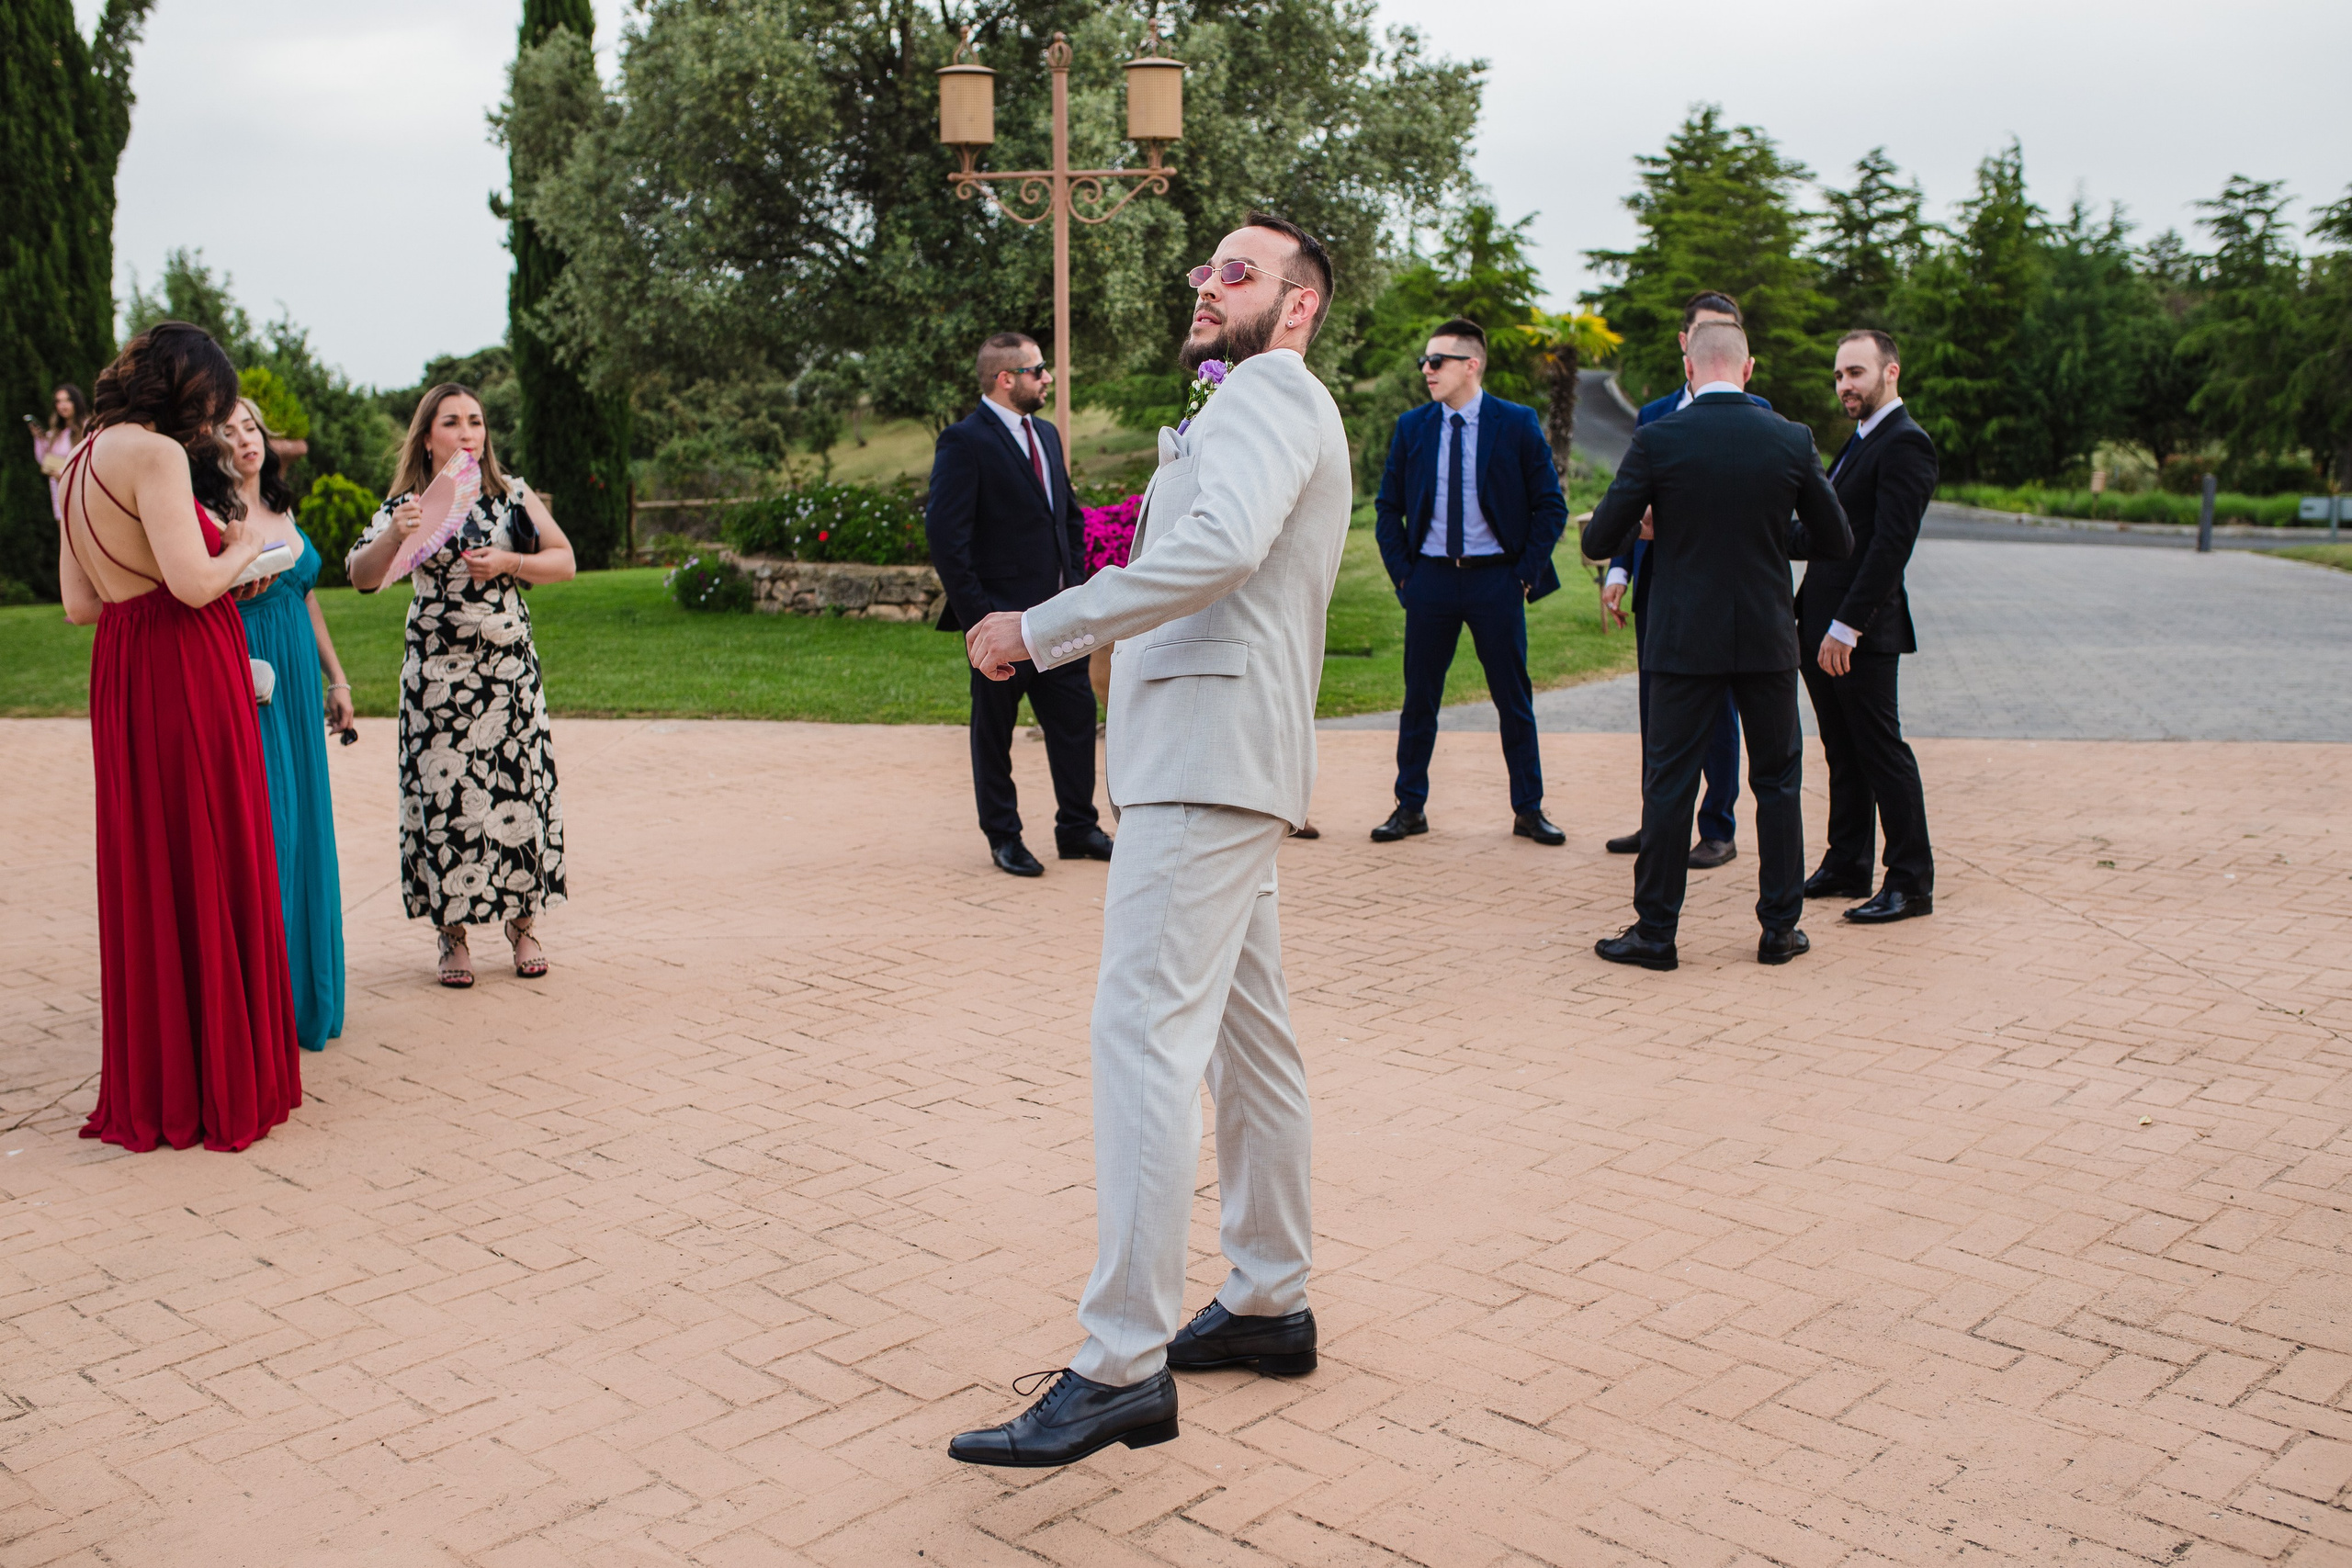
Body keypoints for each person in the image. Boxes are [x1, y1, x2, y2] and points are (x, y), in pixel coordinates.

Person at [948, 212, 1351, 1468]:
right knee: (1250, 1037)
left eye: (1239, 270)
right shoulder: (1254, 402)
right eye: (1205, 265)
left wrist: (1041, 624)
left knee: (1139, 1036)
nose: (1206, 282)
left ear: (1296, 306)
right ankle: (1271, 1295)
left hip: (1203, 756)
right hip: (1228, 753)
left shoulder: (1269, 396)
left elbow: (1220, 550)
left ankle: (1120, 1358)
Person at [54, 321, 302, 1152]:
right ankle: (218, 1079)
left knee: (155, 858)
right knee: (206, 844)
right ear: (185, 387)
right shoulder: (153, 456)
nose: (210, 424)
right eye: (209, 404)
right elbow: (195, 585)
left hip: (125, 666)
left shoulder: (81, 460)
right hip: (182, 662)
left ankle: (163, 1074)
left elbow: (81, 606)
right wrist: (242, 548)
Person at [1580, 321, 1849, 971]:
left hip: (1681, 641)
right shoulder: (1791, 439)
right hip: (1765, 638)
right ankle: (1780, 930)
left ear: (1690, 368)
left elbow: (1599, 539)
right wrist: (1766, 532)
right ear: (1749, 369)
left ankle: (1656, 933)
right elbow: (1834, 538)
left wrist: (1656, 528)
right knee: (1778, 782)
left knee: (1669, 786)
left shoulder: (1659, 438)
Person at [347, 385, 574, 987]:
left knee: (516, 791)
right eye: (452, 422)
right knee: (448, 803)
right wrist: (396, 534)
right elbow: (360, 576)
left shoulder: (511, 497)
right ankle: (452, 939)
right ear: (427, 437)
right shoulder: (410, 505)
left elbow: (565, 560)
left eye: (476, 421)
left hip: (507, 673)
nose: (468, 432)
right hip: (437, 677)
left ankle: (523, 925)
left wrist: (509, 564)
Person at [1369, 317, 1570, 846]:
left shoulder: (1516, 423)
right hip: (1429, 581)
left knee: (1514, 700)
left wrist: (1523, 576)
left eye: (1437, 362)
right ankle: (1409, 807)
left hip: (1496, 582)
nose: (1426, 371)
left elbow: (1551, 505)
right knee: (1420, 700)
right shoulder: (1413, 427)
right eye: (1424, 362)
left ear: (1471, 365)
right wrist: (1406, 577)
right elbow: (1387, 507)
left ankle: (1529, 810)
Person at [924, 333, 1112, 876]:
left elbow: (1068, 519)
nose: (1046, 378)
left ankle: (1078, 828)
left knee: (1075, 722)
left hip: (1059, 621)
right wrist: (981, 620)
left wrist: (1074, 589)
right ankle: (1004, 836)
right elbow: (947, 538)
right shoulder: (963, 442)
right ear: (1007, 379)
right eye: (1037, 370)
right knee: (994, 734)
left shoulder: (1046, 435)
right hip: (1000, 626)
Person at [1600, 291, 1772, 870]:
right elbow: (1628, 507)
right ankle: (1660, 822)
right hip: (1660, 591)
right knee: (1660, 713)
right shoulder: (1653, 418)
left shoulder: (1763, 413)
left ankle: (1717, 828)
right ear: (1687, 346)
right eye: (1706, 333)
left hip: (1728, 599)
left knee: (1720, 717)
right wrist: (1619, 571)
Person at [1793, 330, 1938, 923]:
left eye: (1855, 372)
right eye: (1838, 376)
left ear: (1891, 372)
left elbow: (1889, 547)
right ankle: (1848, 862)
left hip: (1860, 633)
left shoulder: (1907, 444)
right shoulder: (1857, 442)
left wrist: (1847, 627)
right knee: (1842, 750)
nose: (1845, 385)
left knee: (1882, 752)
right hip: (1822, 624)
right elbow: (1833, 533)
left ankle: (1910, 881)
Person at [226, 395, 352, 1051]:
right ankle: (267, 999)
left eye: (251, 426)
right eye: (229, 429)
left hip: (300, 676)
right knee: (272, 829)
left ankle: (311, 994)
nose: (245, 437)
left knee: (305, 820)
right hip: (252, 679)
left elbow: (308, 598)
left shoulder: (280, 503)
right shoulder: (212, 514)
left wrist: (338, 678)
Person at [28, 383, 91, 523]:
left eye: (67, 400)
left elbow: (91, 459)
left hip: (81, 493)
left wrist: (64, 472)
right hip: (59, 493)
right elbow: (44, 460)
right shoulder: (55, 433)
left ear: (76, 402)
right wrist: (39, 438)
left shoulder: (87, 428)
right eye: (58, 401)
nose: (62, 405)